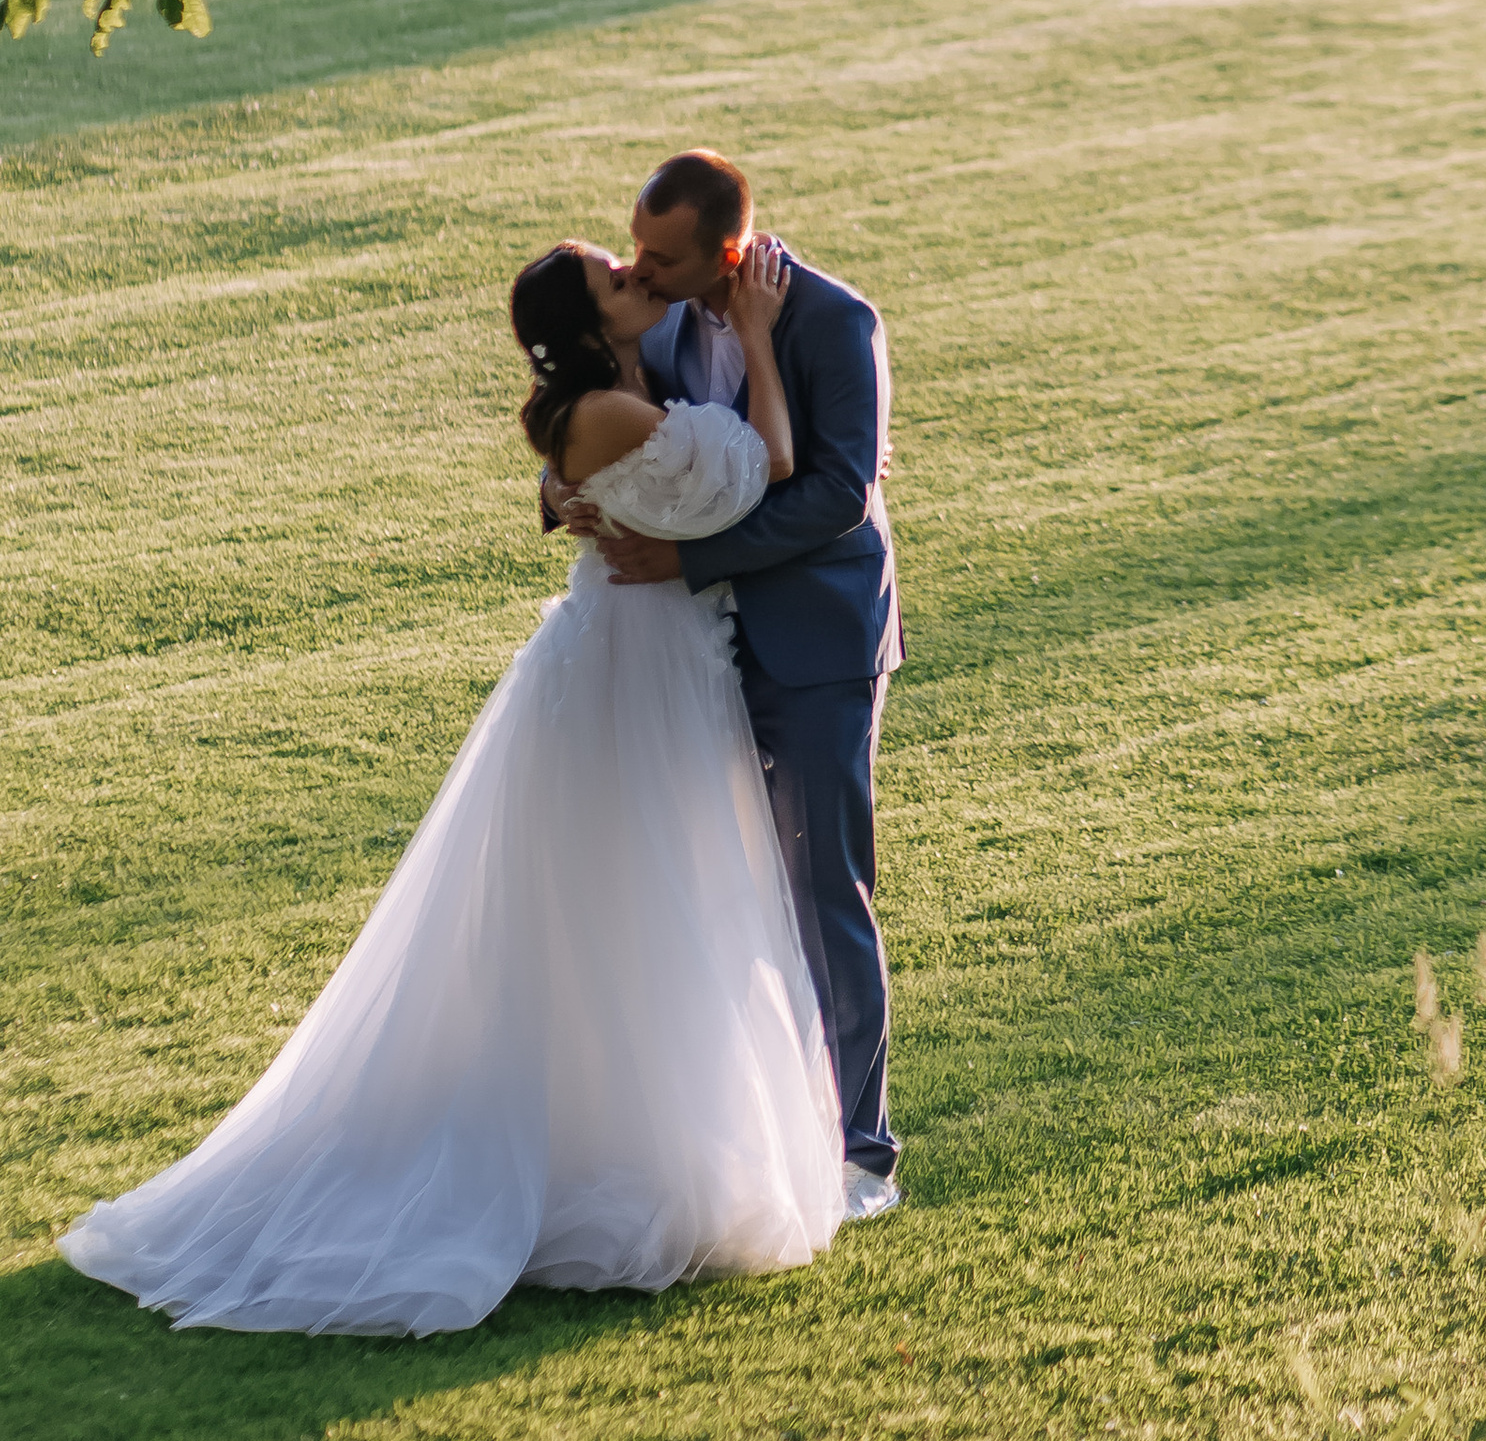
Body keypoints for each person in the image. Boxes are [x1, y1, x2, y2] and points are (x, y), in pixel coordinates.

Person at [55, 235, 842, 1335]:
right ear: (584, 324)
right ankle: (609, 1152)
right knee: (648, 883)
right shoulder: (611, 408)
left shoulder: (619, 388)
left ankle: (625, 1128)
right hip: (636, 661)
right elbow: (769, 467)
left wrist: (564, 484)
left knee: (642, 889)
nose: (634, 277)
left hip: (647, 648)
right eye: (615, 279)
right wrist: (758, 342)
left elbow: (611, 466)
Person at [561, 149, 904, 1219]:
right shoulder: (654, 321)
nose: (637, 267)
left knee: (821, 890)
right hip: (695, 651)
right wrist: (571, 493)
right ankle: (753, 1132)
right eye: (633, 245)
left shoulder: (835, 321)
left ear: (727, 247)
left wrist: (691, 561)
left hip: (814, 644)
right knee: (718, 889)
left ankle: (861, 1155)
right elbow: (603, 422)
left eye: (659, 255)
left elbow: (840, 494)